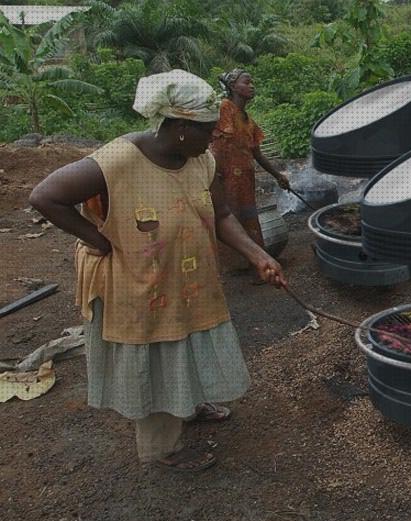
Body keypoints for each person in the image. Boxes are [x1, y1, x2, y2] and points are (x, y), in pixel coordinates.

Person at [29, 69, 286, 472]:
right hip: (141, 282)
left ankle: (187, 403)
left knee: (189, 340)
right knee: (157, 354)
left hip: (188, 276)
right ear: (181, 127)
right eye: (207, 130)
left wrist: (258, 255)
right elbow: (45, 197)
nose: (214, 137)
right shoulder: (121, 158)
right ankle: (162, 448)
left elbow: (221, 215)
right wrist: (99, 241)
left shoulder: (202, 160)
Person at [212, 68, 290, 274]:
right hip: (225, 178)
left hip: (245, 181)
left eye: (251, 82)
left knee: (248, 219)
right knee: (229, 220)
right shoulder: (225, 109)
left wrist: (278, 175)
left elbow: (257, 153)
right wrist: (215, 177)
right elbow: (215, 146)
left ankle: (255, 265)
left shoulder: (248, 120)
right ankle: (235, 266)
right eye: (246, 82)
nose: (251, 86)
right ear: (232, 86)